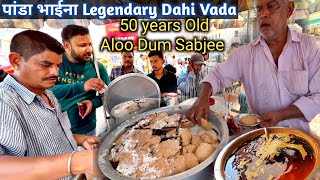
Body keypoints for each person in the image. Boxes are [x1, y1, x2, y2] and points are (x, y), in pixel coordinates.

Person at [186, 0, 320, 133]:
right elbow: (216, 75)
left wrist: (281, 114)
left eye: (271, 6)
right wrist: (202, 98)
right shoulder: (244, 54)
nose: (263, 14)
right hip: (260, 140)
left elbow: (318, 96)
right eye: (259, 9)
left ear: (289, 9)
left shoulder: (307, 46)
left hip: (301, 139)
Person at [0, 30, 102, 179]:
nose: (55, 72)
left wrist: (81, 139)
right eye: (46, 65)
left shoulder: (47, 92)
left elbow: (48, 135)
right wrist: (76, 162)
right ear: (16, 61)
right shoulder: (4, 102)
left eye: (58, 66)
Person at [51, 25, 111, 135]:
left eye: (90, 44)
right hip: (57, 129)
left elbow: (108, 95)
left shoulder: (97, 68)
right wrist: (82, 86)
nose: (89, 50)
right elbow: (46, 92)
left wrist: (93, 103)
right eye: (83, 45)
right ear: (67, 46)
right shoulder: (55, 64)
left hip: (87, 129)